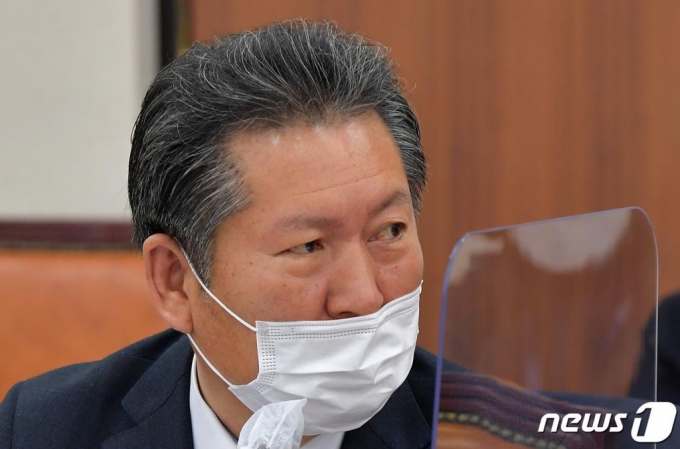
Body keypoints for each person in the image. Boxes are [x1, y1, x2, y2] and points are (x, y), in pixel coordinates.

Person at [0, 20, 434, 448]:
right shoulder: (41, 431)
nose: (364, 296)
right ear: (175, 281)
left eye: (389, 230)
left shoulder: (469, 428)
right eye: (307, 246)